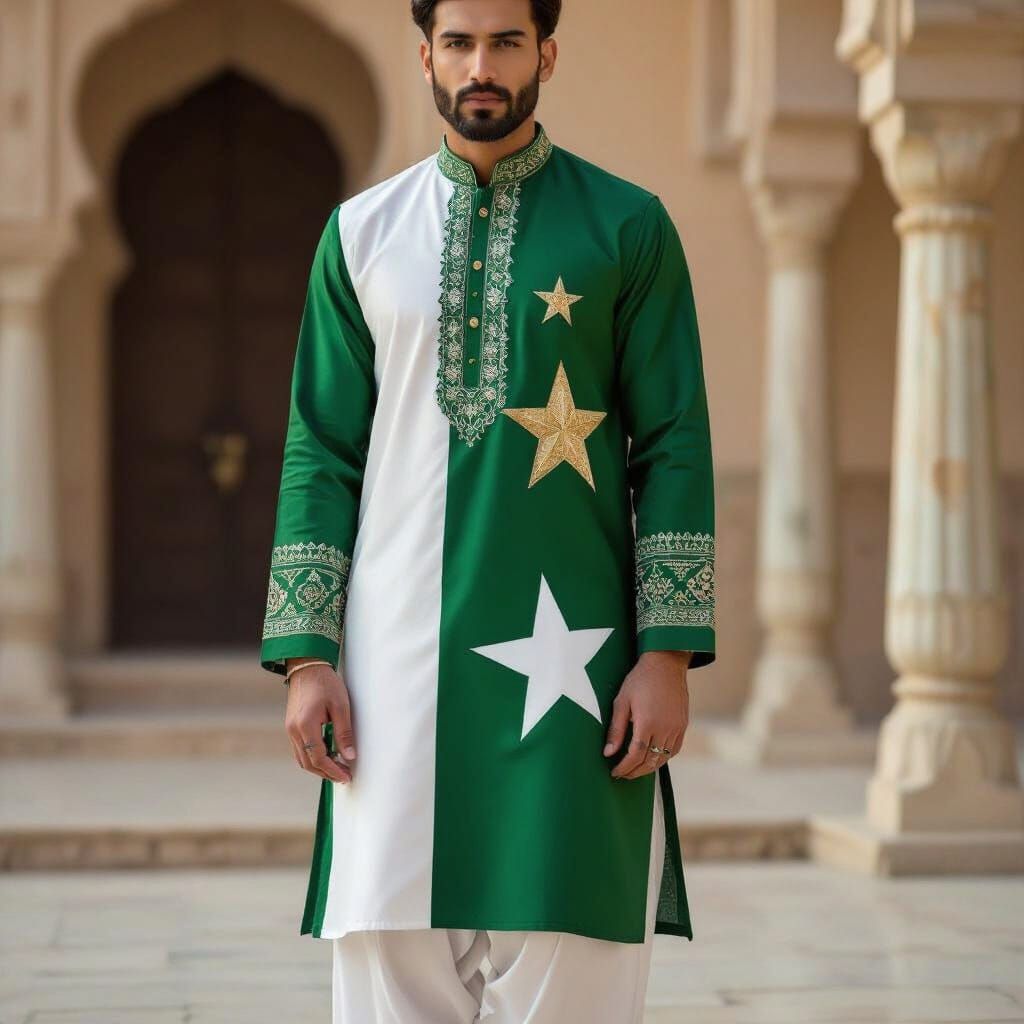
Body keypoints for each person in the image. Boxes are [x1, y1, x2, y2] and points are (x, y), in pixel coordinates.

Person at [259, 0, 716, 1019]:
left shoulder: (626, 226)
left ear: (545, 53)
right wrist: (306, 654)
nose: (481, 67)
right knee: (389, 963)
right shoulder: (359, 234)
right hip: (390, 680)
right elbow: (319, 450)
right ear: (423, 55)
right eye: (458, 43)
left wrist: (669, 652)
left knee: (574, 950)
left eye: (506, 42)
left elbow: (673, 441)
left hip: (577, 678)